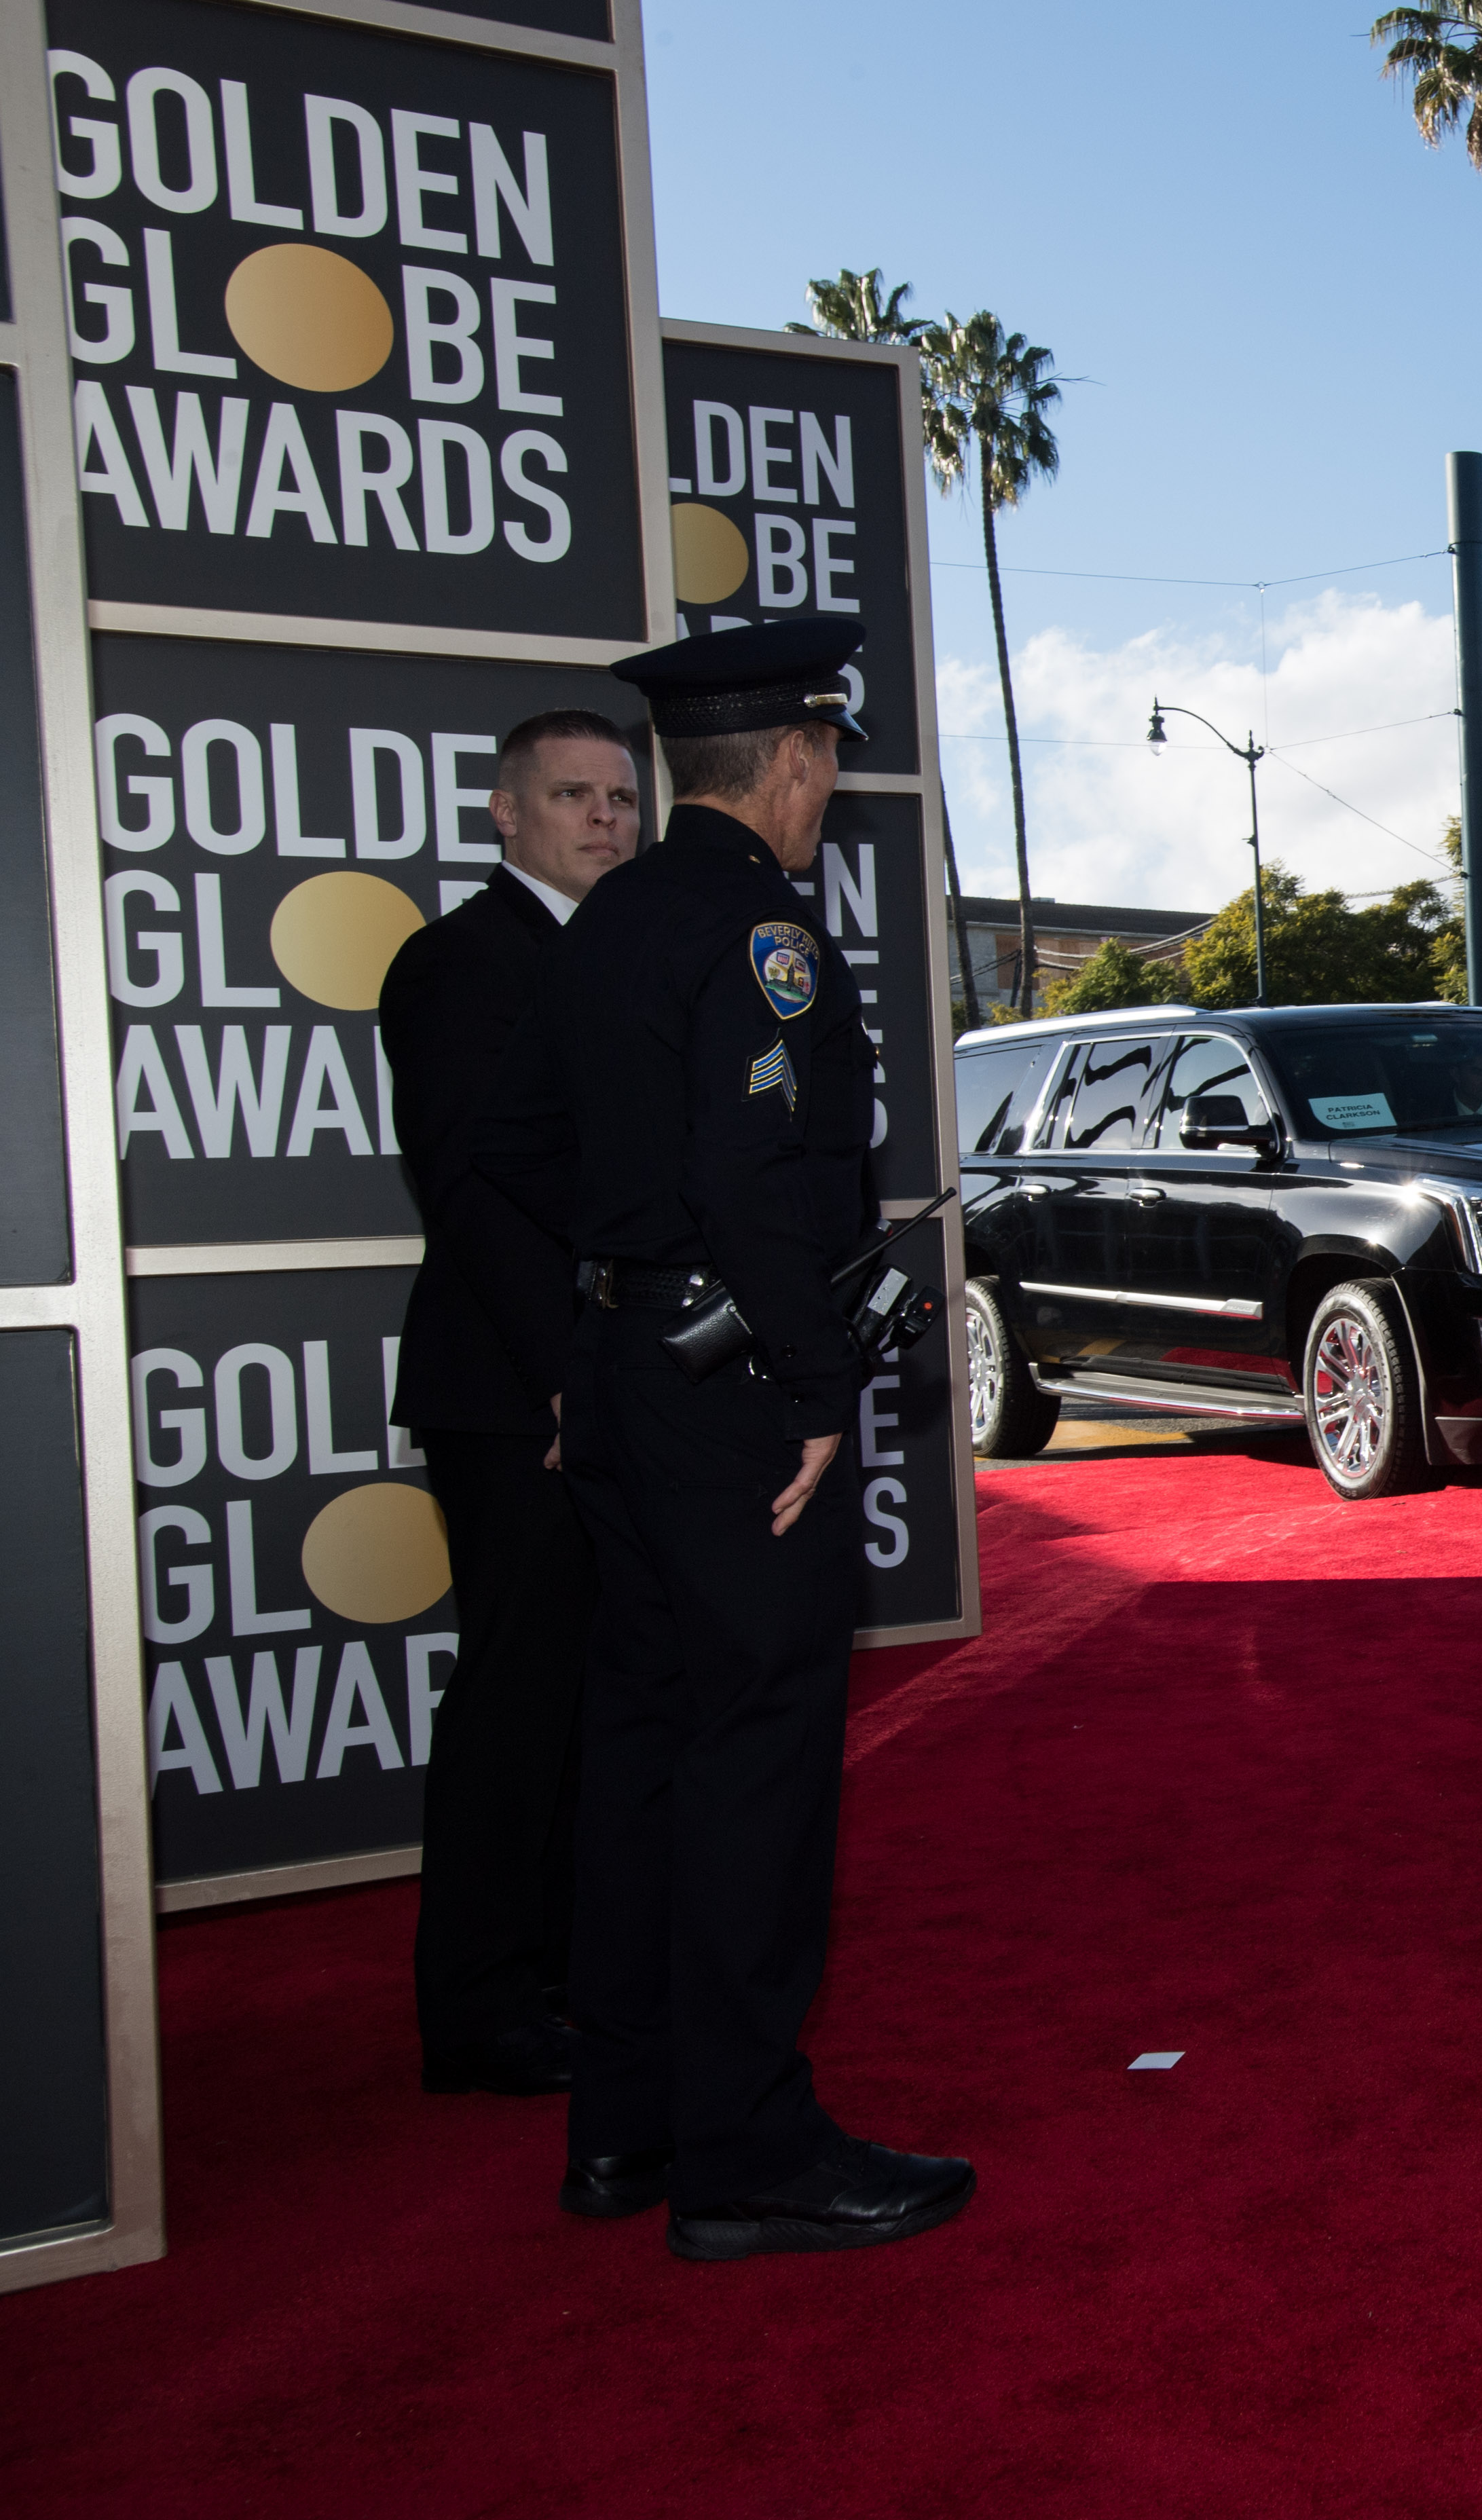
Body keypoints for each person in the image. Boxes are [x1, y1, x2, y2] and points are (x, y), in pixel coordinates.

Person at [477, 618, 972, 2261]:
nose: (827, 786)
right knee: (754, 1763)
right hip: (730, 1389)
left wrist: (591, 1347)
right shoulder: (763, 932)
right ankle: (750, 2150)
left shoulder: (606, 918)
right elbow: (762, 1185)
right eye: (826, 759)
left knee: (635, 1755)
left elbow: (535, 1154)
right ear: (789, 760)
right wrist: (824, 1392)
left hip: (622, 1364)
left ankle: (623, 2129)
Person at [381, 709, 641, 2098]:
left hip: (607, 1385)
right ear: (504, 812)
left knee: (597, 1697)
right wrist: (563, 1374)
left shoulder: (623, 960)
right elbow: (474, 1192)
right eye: (573, 795)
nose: (605, 817)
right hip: (514, 1387)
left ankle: (561, 1968)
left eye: (620, 796)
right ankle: (476, 2006)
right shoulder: (460, 963)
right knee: (518, 1697)